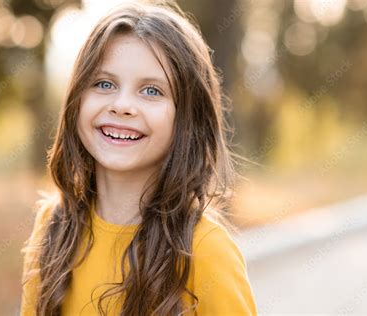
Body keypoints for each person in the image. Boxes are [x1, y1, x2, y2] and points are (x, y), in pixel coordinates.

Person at [20, 2, 258, 315]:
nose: (122, 105)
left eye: (151, 91)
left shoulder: (206, 250)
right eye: (104, 84)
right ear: (77, 100)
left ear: (187, 118)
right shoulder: (53, 226)